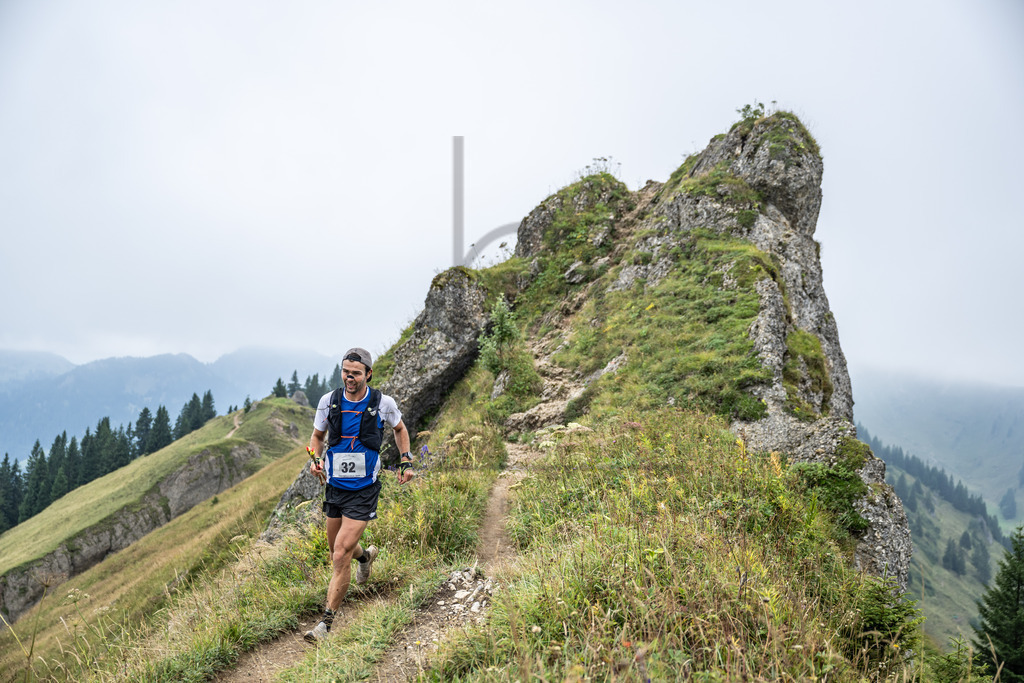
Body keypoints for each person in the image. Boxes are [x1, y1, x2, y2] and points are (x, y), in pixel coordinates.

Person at [303, 347, 414, 643]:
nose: (349, 378)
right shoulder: (329, 402)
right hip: (335, 486)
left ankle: (325, 624)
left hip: (364, 490)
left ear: (368, 374)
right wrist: (315, 460)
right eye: (345, 372)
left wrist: (406, 461)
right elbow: (316, 438)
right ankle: (366, 557)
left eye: (355, 373)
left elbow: (400, 429)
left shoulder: (383, 403)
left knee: (340, 553)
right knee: (337, 551)